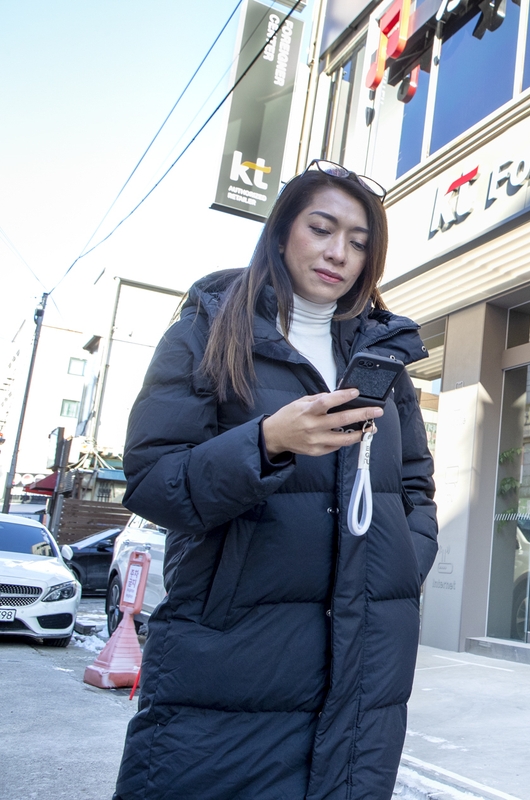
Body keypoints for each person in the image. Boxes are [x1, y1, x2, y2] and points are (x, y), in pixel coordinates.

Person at [112, 161, 437, 800]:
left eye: (359, 241)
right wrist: (266, 444)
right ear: (283, 231)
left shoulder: (385, 356)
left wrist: (402, 563)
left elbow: (414, 488)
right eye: (322, 228)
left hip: (365, 660)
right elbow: (153, 481)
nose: (338, 252)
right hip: (230, 663)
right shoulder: (208, 331)